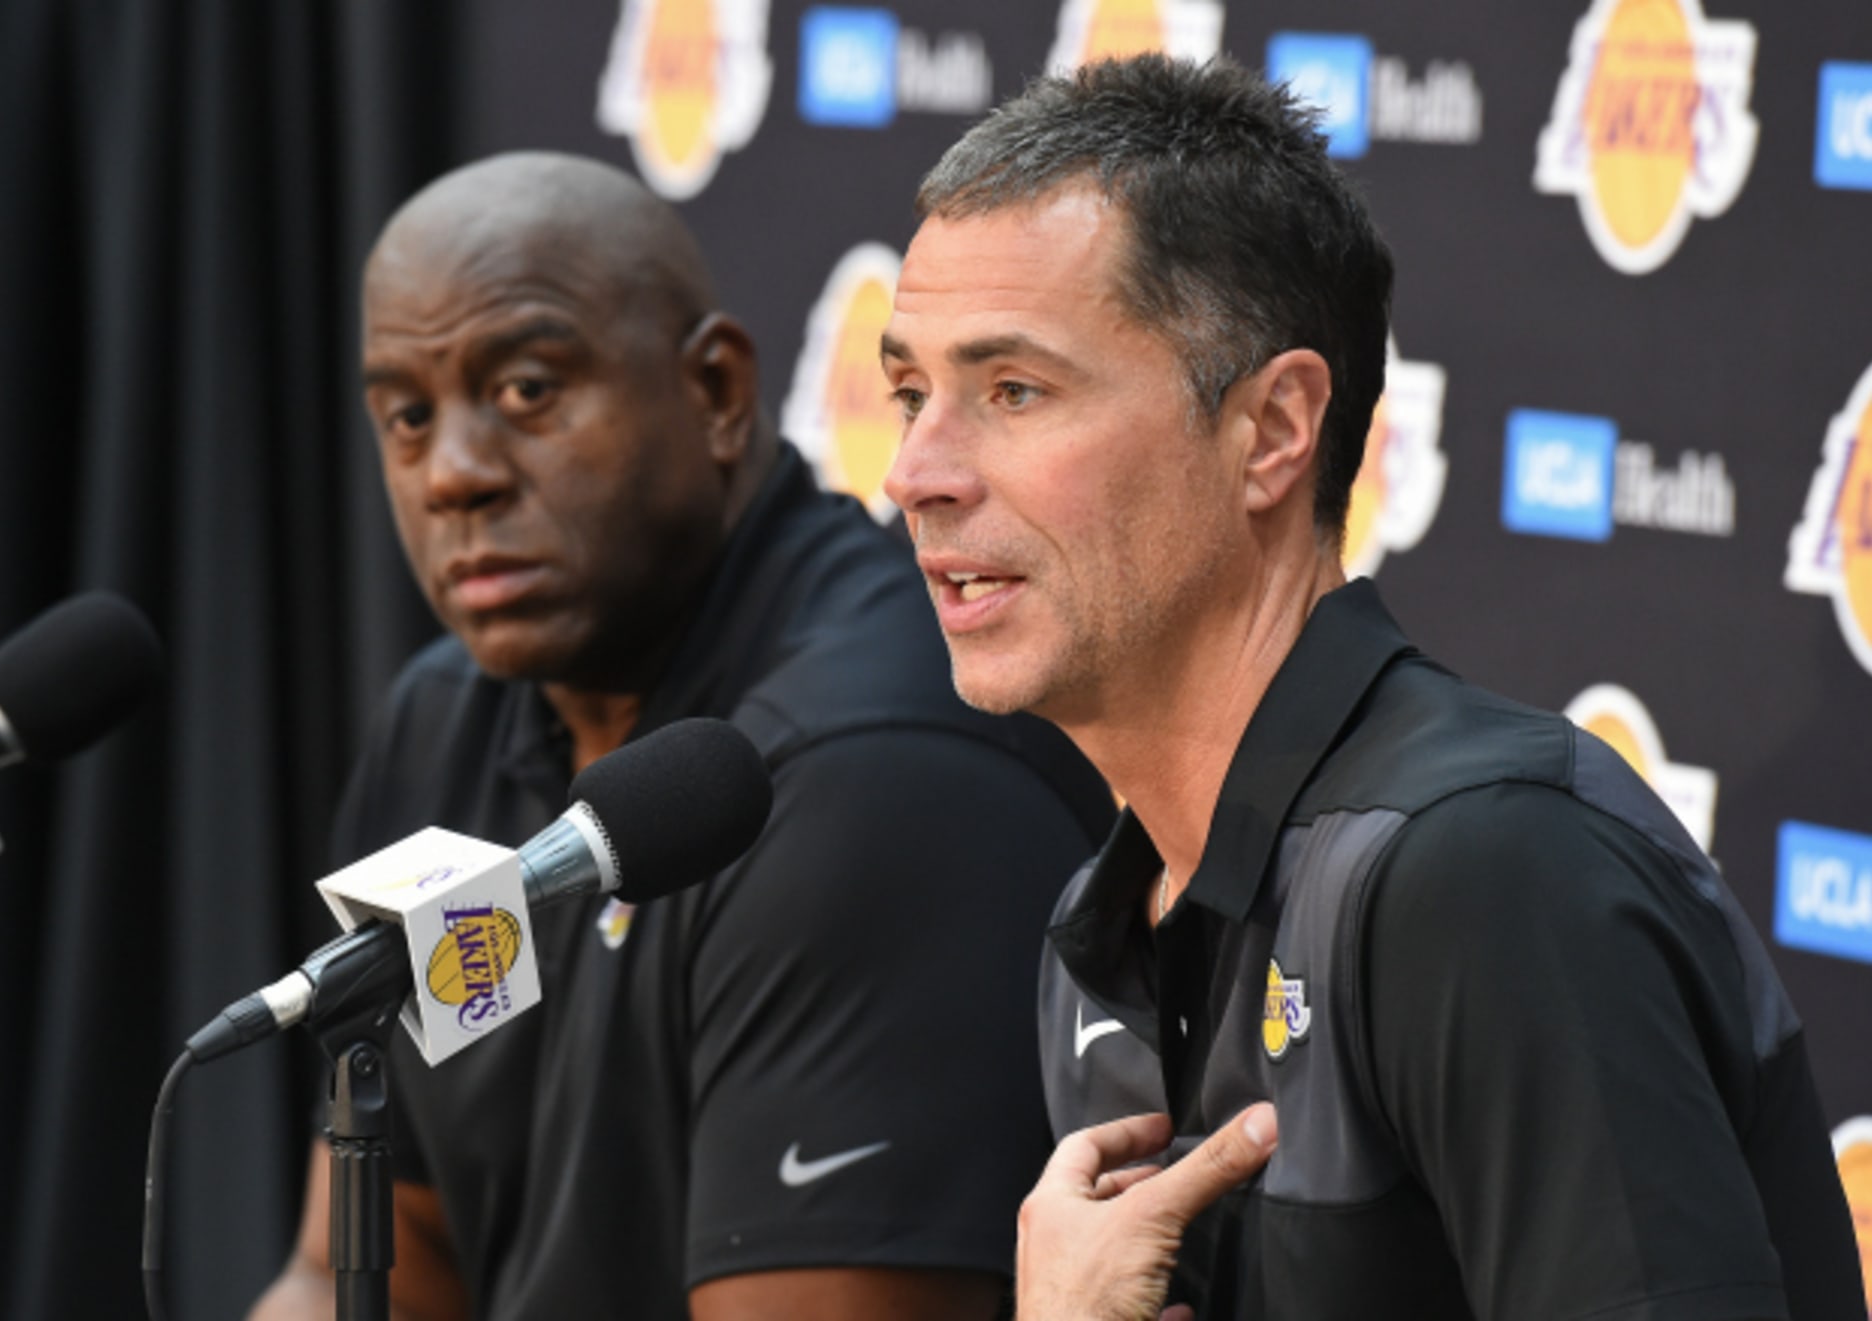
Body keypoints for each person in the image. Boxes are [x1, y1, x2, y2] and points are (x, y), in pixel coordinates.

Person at [880, 54, 1867, 1321]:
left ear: (1274, 430)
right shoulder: (1100, 925)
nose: (916, 471)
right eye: (909, 393)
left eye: (1012, 391)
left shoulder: (1483, 868)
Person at [247, 152, 1117, 1320]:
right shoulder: (441, 723)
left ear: (714, 392)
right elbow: (357, 1267)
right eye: (408, 416)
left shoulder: (870, 773)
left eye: (526, 390)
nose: (453, 473)